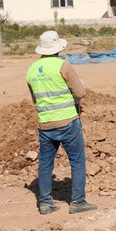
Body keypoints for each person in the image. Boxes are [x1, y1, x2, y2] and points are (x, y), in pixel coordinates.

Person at [26, 31, 97, 215]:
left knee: (45, 163)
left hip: (45, 124)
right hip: (67, 121)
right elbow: (80, 92)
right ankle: (78, 202)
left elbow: (35, 99)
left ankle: (45, 203)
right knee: (77, 161)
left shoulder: (32, 70)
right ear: (58, 48)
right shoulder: (63, 66)